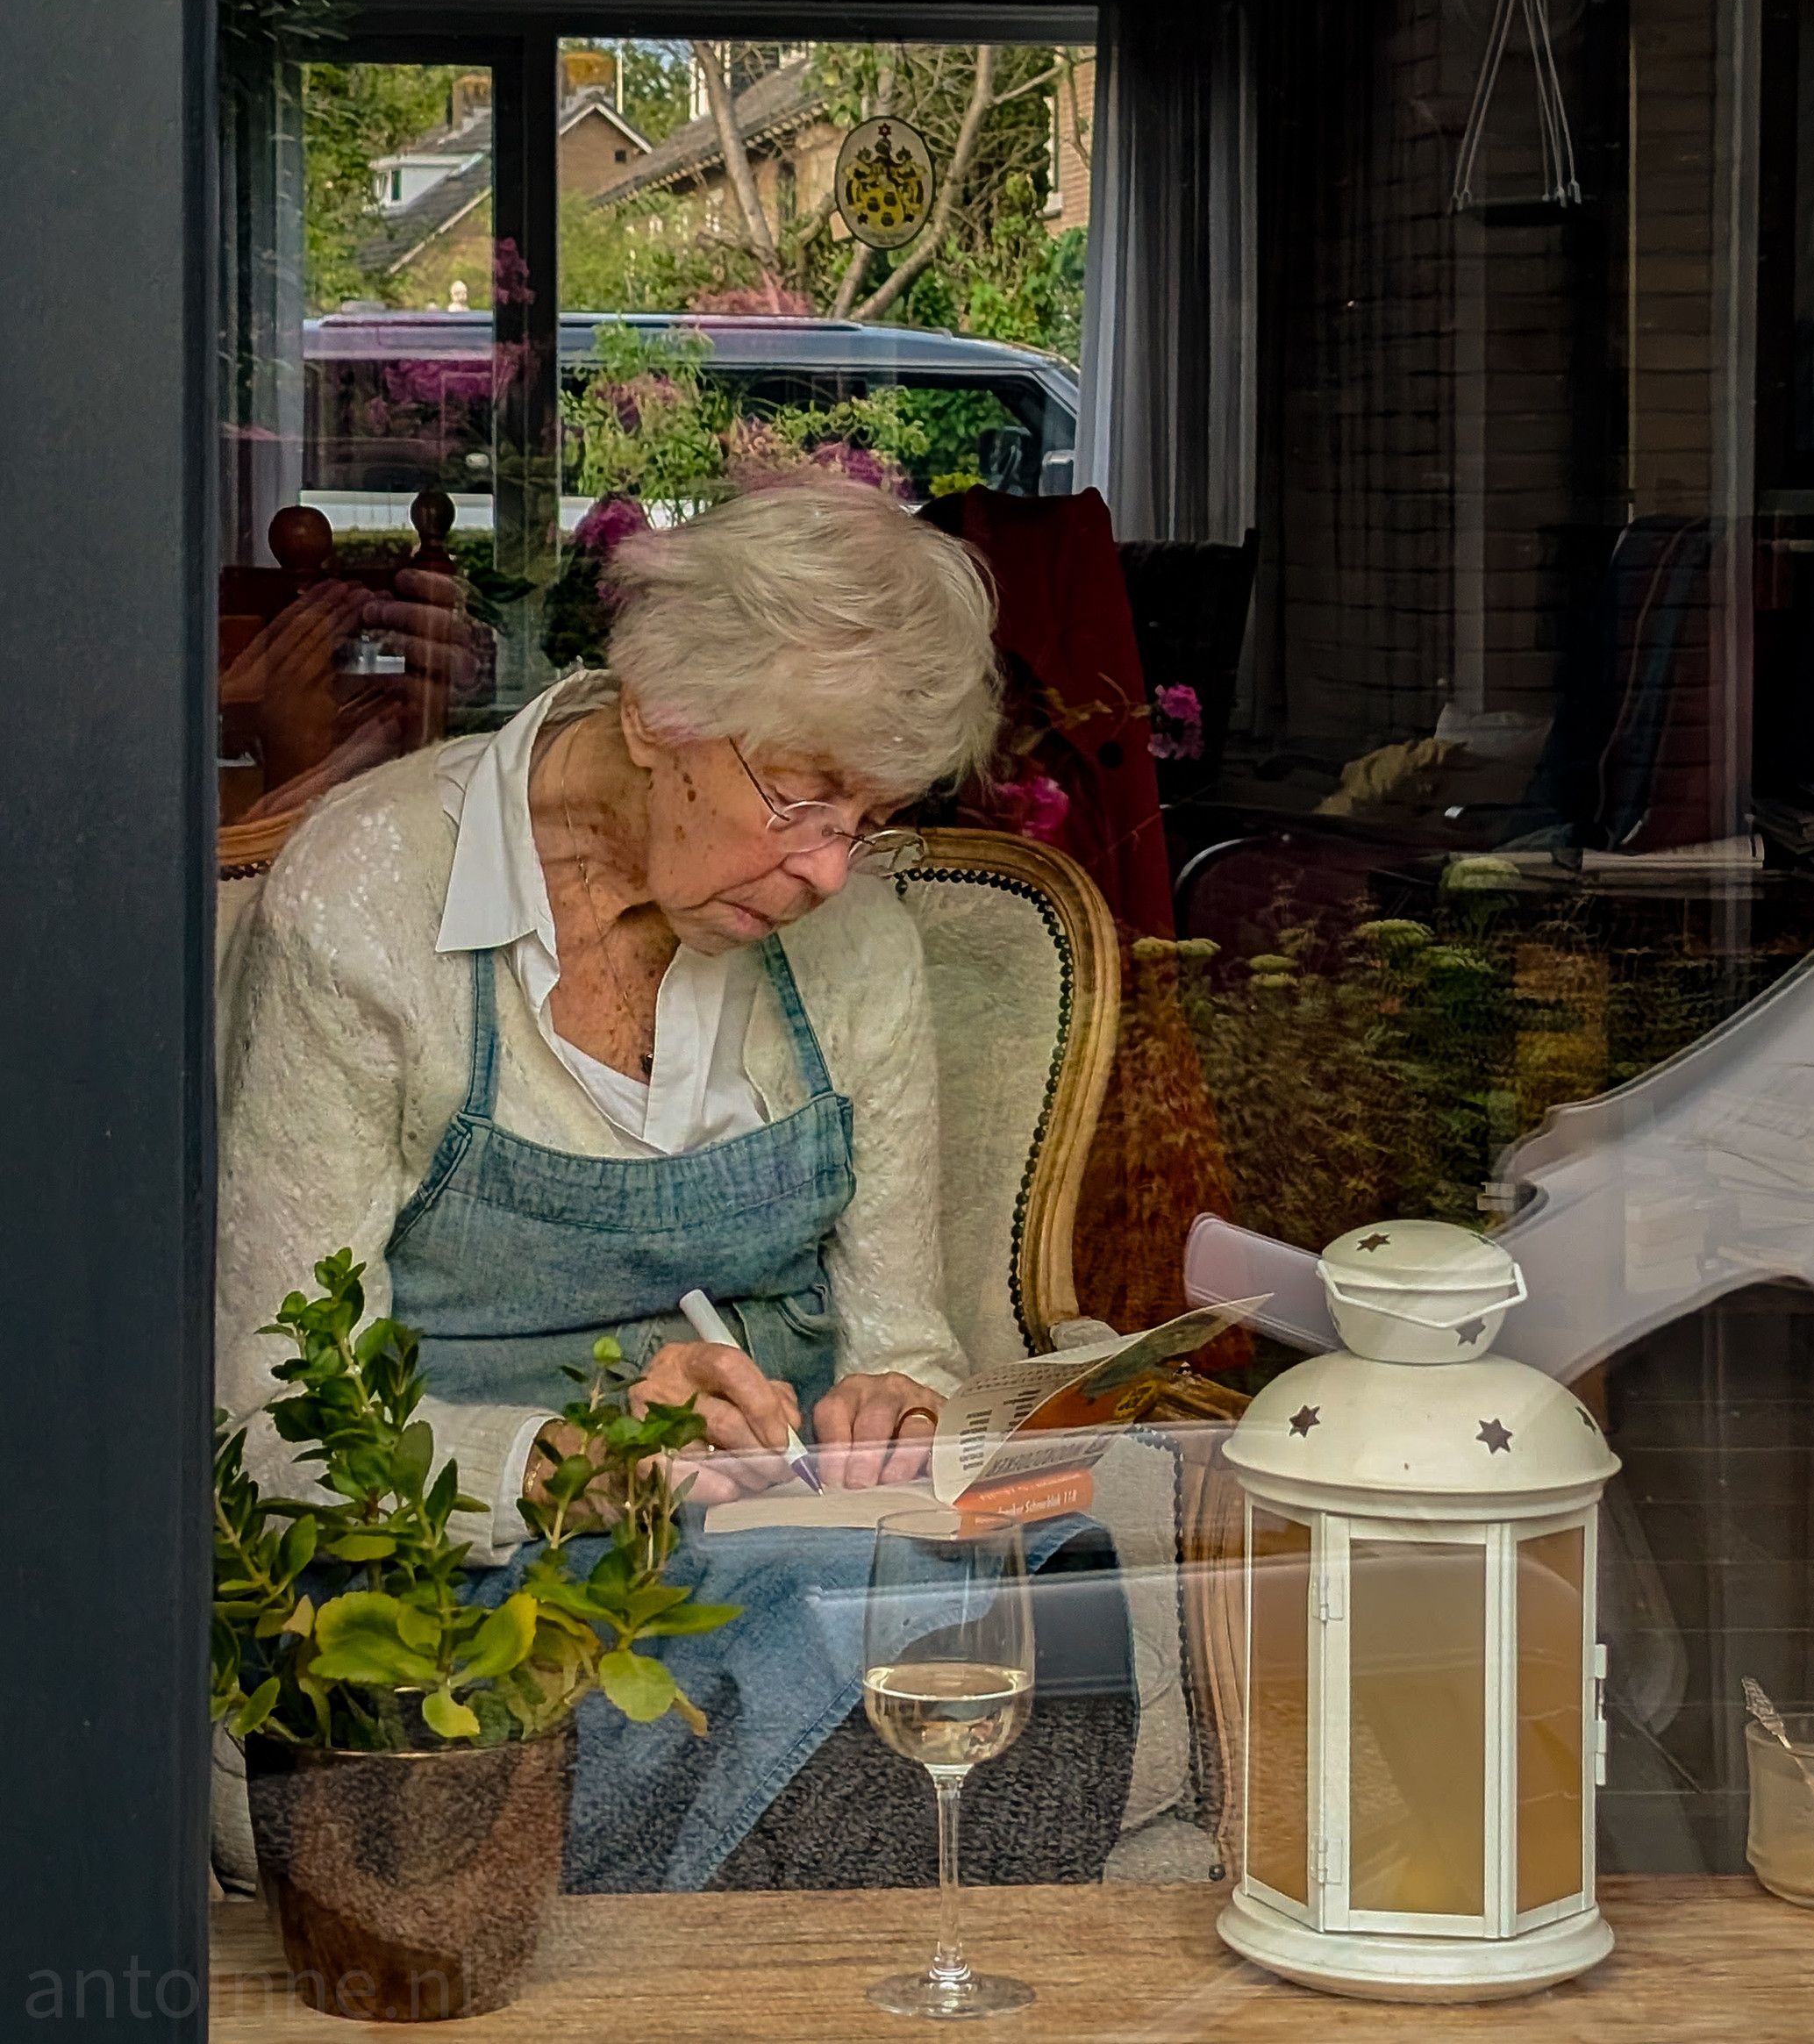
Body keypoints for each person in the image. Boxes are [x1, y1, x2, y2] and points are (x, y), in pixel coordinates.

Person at [218, 475, 1134, 1888]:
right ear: (657, 711)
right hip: (460, 1581)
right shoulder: (368, 903)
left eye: (871, 815)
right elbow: (273, 1425)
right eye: (803, 796)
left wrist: (900, 1400)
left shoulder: (855, 942)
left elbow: (906, 1340)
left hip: (788, 1545)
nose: (833, 871)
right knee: (849, 1637)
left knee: (1056, 1590)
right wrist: (570, 1468)